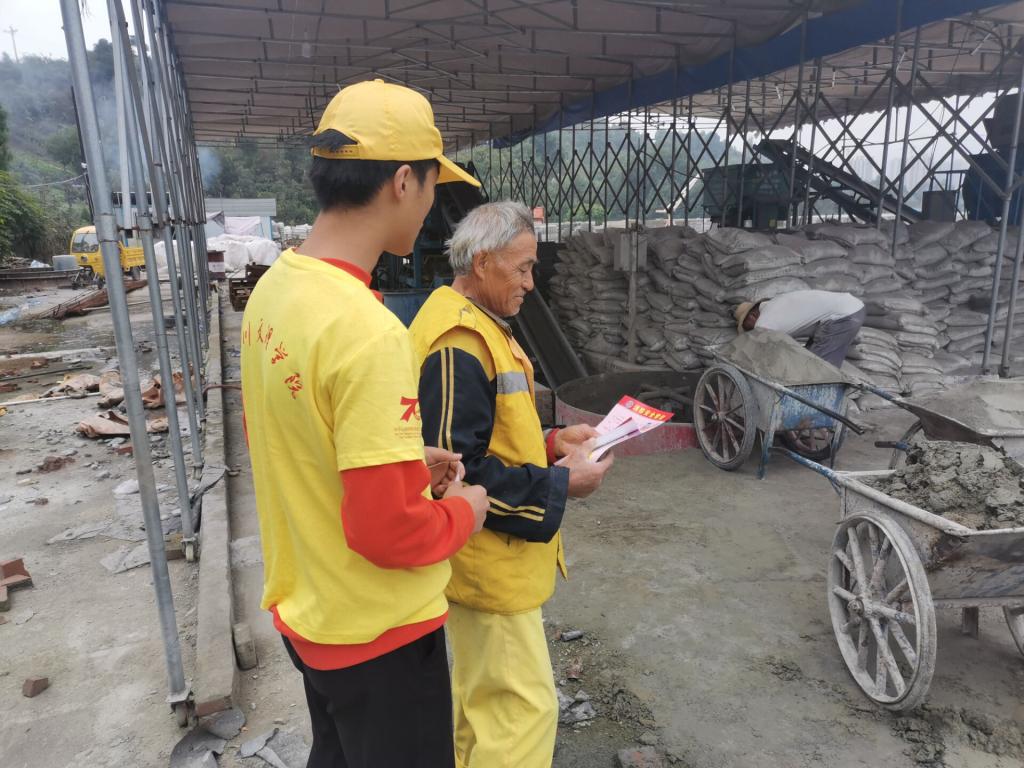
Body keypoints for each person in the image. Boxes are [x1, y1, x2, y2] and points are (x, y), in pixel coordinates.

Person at [240, 79, 491, 768]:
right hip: (378, 635)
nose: (434, 205)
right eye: (434, 186)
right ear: (404, 182)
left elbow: (286, 436)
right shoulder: (367, 329)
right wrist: (466, 510)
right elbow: (389, 531)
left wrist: (398, 456)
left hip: (311, 613)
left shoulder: (275, 290)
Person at [408, 201, 615, 768]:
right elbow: (455, 473)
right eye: (522, 268)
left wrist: (550, 442)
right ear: (482, 262)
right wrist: (560, 484)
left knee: (483, 706)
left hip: (490, 562)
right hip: (488, 567)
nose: (530, 282)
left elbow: (486, 436)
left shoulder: (475, 327)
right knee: (522, 714)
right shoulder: (458, 344)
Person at [734, 289, 866, 367]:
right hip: (850, 309)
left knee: (819, 370)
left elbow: (757, 351)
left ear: (752, 316)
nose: (750, 332)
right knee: (807, 363)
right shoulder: (776, 304)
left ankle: (819, 404)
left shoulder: (764, 321)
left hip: (842, 316)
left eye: (747, 327)